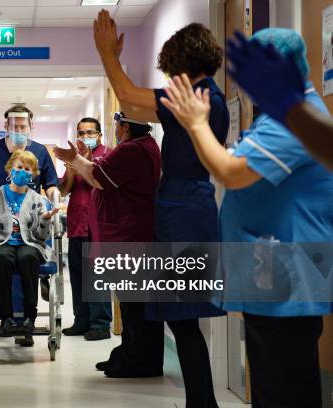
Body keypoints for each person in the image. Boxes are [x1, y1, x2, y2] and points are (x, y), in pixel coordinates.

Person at [160, 28, 333, 408]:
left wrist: (195, 124)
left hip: (288, 277)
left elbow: (230, 172)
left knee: (282, 387)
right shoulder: (285, 117)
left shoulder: (290, 123)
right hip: (273, 276)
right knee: (275, 382)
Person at [93, 10, 226, 406]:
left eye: (169, 69)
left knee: (183, 319)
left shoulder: (195, 96)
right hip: (183, 207)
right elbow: (137, 106)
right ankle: (201, 401)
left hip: (184, 212)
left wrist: (106, 55)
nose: (167, 77)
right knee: (181, 318)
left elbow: (130, 98)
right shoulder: (204, 96)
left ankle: (202, 403)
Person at [54, 112, 161, 373]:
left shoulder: (132, 151)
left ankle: (140, 361)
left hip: (130, 236)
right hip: (129, 234)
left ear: (123, 127)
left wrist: (74, 159)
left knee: (135, 303)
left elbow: (97, 179)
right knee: (131, 303)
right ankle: (130, 352)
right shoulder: (141, 147)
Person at [226, 30, 333, 170]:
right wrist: (291, 109)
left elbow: (231, 173)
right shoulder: (289, 111)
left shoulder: (285, 121)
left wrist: (197, 124)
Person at [0, 150, 59, 336]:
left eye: (27, 169)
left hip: (30, 243)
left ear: (32, 174)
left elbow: (41, 236)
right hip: (2, 242)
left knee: (27, 257)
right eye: (19, 167)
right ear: (10, 170)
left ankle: (29, 318)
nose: (22, 171)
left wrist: (46, 219)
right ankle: (5, 318)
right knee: (1, 257)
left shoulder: (37, 199)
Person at [58, 117, 112, 341]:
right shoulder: (74, 157)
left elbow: (102, 183)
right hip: (77, 223)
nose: (85, 136)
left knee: (96, 276)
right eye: (81, 133)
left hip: (98, 225)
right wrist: (71, 169)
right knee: (79, 276)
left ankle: (100, 324)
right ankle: (81, 321)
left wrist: (85, 163)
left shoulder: (108, 154)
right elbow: (63, 190)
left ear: (99, 134)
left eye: (90, 132)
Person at [0, 104, 58, 201]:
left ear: (30, 126)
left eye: (23, 127)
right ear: (6, 126)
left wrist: (54, 195)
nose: (19, 131)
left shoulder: (40, 151)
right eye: (14, 127)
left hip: (29, 212)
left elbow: (50, 184)